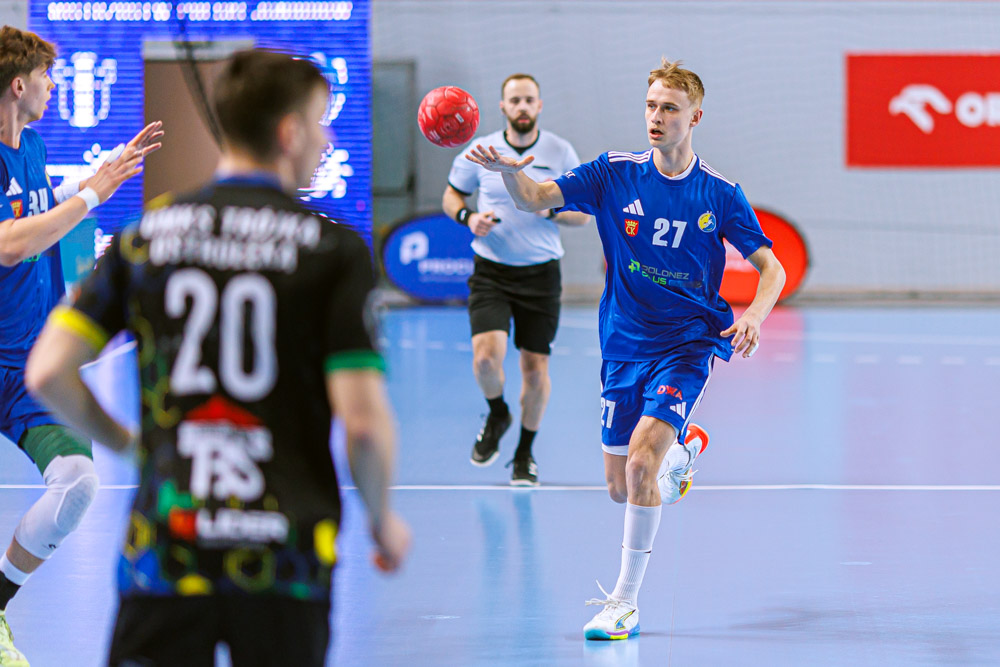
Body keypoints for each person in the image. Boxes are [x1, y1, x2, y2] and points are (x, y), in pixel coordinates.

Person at [25, 49, 410, 665]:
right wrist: (382, 519)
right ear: (288, 133)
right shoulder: (332, 250)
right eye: (319, 123)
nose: (327, 140)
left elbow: (48, 371)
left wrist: (131, 444)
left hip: (167, 548)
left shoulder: (147, 237)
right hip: (285, 554)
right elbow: (363, 424)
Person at [467, 58, 786, 639]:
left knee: (641, 463)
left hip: (687, 344)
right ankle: (682, 455)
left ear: (695, 117)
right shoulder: (613, 173)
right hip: (623, 344)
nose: (656, 117)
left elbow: (772, 267)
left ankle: (624, 603)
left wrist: (755, 316)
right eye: (650, 106)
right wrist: (511, 174)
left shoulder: (720, 194)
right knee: (623, 487)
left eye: (670, 108)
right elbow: (536, 198)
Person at [0, 25, 162, 666]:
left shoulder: (31, 145)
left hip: (29, 365)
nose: (54, 85)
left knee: (77, 484)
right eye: (47, 76)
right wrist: (95, 195)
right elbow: (12, 243)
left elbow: (35, 205)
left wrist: (92, 182)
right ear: (19, 85)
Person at [443, 73, 591, 486]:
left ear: (539, 105)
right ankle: (497, 413)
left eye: (529, 100)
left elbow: (583, 213)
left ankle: (525, 453)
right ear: (503, 107)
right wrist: (468, 217)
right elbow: (452, 195)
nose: (522, 107)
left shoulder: (559, 152)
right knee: (485, 359)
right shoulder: (480, 151)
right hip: (491, 271)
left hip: (540, 275)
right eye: (515, 100)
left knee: (534, 370)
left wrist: (548, 208)